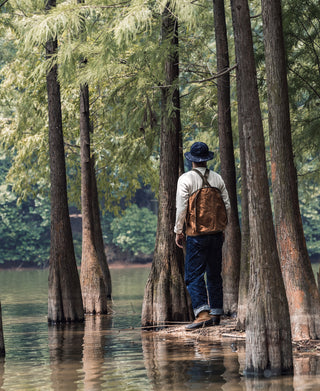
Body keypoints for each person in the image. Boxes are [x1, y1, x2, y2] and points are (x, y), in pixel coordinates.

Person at [174, 141, 230, 330]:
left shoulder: (186, 179)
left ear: (192, 160)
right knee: (214, 273)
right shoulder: (217, 178)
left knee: (194, 275)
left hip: (196, 234)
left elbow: (181, 208)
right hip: (216, 234)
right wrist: (222, 227)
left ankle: (202, 314)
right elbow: (227, 206)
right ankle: (216, 313)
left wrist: (178, 231)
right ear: (207, 159)